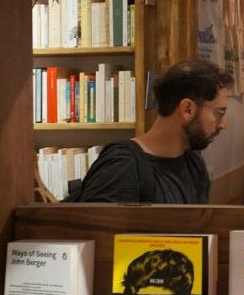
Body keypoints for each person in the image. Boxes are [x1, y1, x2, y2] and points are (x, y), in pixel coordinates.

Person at [73, 59, 232, 203]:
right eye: (219, 113)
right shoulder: (122, 166)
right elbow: (97, 226)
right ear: (187, 109)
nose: (223, 124)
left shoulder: (194, 164)